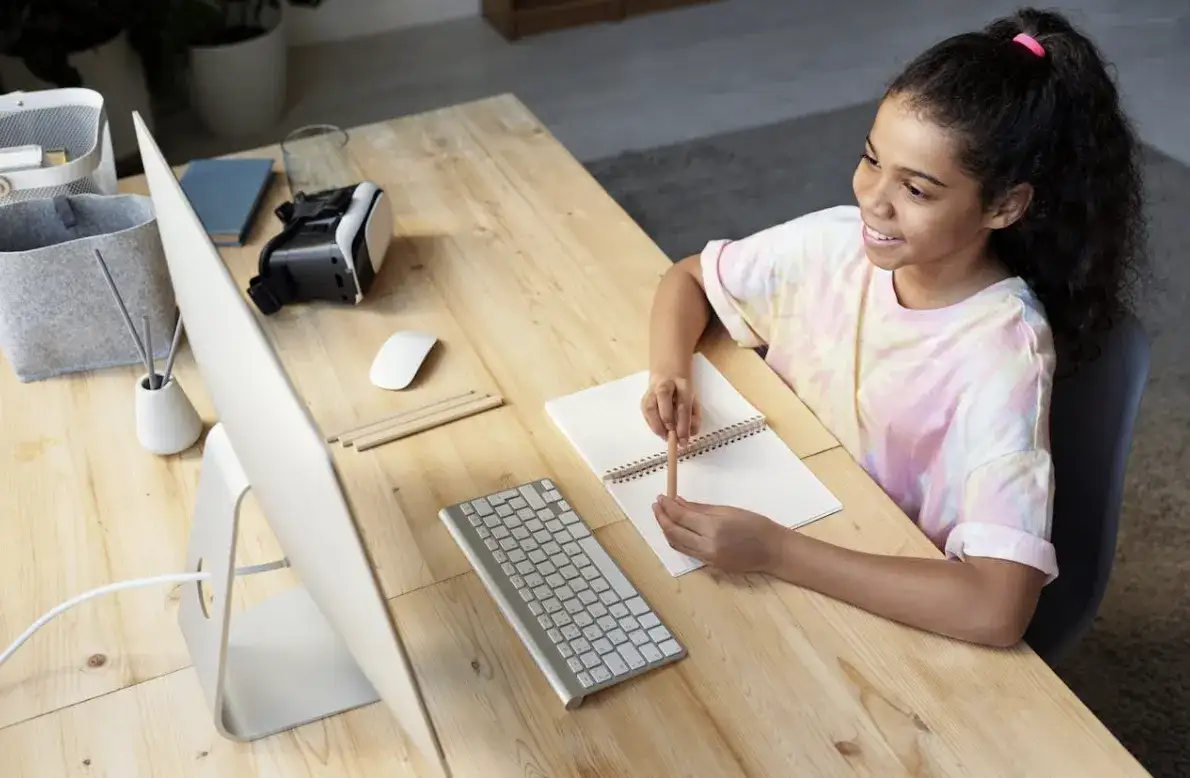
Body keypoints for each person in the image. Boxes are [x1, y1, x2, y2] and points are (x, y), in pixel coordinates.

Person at [641, 8, 1146, 648]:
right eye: (871, 160)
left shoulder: (1002, 356)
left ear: (1004, 205)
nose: (872, 200)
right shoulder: (837, 245)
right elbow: (687, 278)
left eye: (917, 189)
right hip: (801, 511)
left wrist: (774, 551)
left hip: (878, 591)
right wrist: (669, 371)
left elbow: (996, 609)